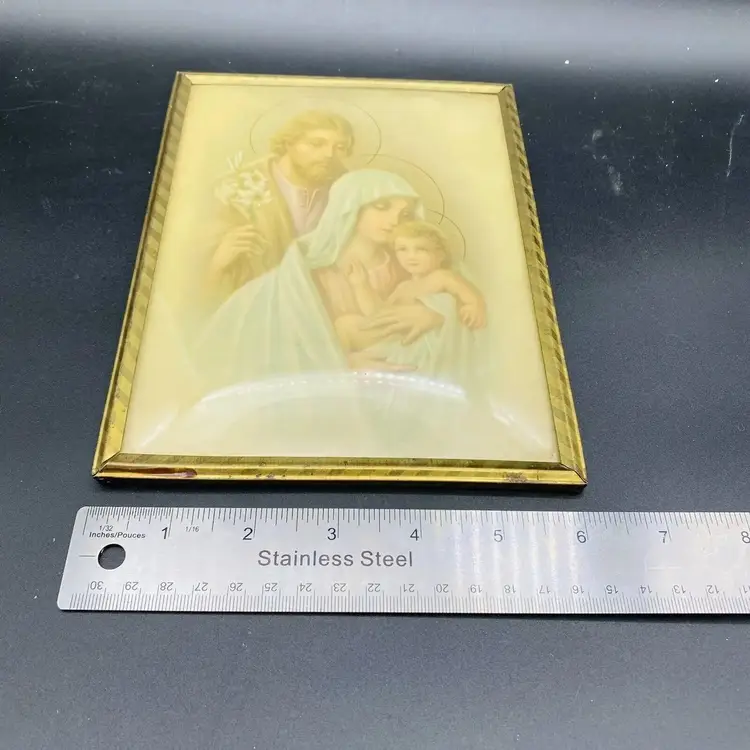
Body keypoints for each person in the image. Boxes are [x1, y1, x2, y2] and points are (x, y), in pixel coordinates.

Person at [209, 109, 354, 298]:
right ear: (289, 142)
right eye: (316, 144)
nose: (329, 154)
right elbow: (200, 266)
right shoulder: (234, 187)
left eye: (340, 147)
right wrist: (218, 261)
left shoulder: (348, 188)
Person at [334, 219, 486, 353]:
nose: (411, 256)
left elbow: (470, 295)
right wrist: (361, 285)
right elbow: (378, 314)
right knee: (345, 323)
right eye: (402, 249)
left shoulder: (441, 277)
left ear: (440, 255)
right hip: (398, 336)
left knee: (346, 327)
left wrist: (474, 305)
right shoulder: (404, 287)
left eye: (421, 249)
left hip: (420, 343)